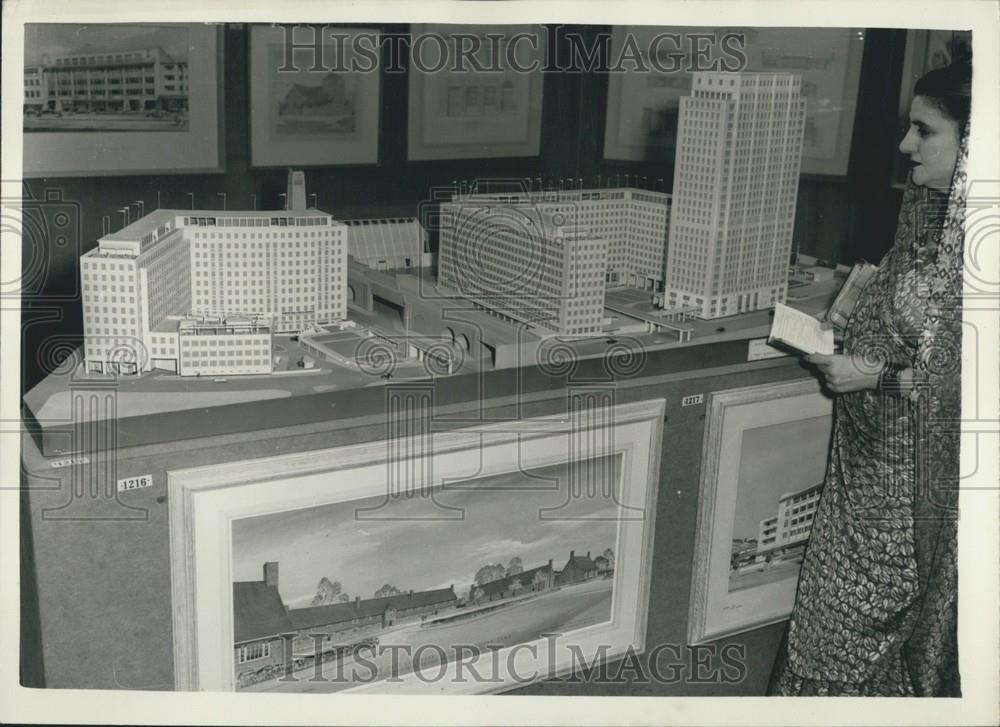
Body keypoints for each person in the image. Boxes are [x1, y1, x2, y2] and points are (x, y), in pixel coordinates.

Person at [768, 61, 971, 697]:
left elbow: (968, 382)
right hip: (863, 475)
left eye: (925, 130)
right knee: (830, 624)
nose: (907, 145)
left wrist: (875, 376)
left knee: (865, 636)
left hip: (912, 501)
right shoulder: (933, 220)